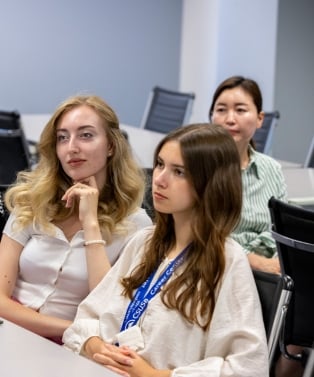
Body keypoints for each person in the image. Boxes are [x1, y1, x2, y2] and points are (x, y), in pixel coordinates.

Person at [63, 123, 268, 377]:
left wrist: (152, 375)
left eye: (179, 172)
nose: (159, 179)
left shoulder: (226, 259)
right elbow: (85, 318)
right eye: (160, 164)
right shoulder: (145, 242)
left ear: (211, 184)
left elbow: (248, 368)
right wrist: (97, 347)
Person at [0, 94, 152, 342]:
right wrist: (77, 330)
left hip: (74, 349)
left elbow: (109, 310)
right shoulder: (33, 201)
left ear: (111, 145)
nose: (72, 147)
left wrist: (91, 224)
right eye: (62, 137)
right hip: (14, 330)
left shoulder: (137, 225)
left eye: (86, 135)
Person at [209, 75, 287, 275]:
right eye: (221, 110)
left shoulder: (271, 169)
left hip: (269, 270)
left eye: (240, 110)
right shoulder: (200, 168)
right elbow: (200, 235)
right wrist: (252, 260)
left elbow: (281, 229)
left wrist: (273, 261)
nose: (230, 119)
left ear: (260, 119)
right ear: (211, 117)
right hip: (217, 270)